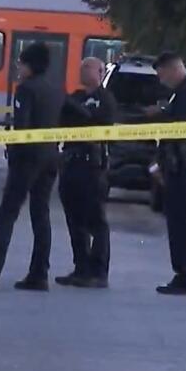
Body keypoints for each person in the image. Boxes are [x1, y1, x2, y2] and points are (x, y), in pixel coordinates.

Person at [0, 43, 64, 291]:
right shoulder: (56, 90)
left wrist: (14, 151)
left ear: (30, 65)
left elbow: (22, 126)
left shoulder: (25, 90)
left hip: (27, 161)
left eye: (21, 63)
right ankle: (40, 273)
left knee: (7, 214)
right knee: (41, 215)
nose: (18, 68)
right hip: (50, 157)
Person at [144, 52, 186, 296]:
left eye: (162, 74)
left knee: (183, 224)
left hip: (184, 167)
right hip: (180, 165)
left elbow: (182, 131)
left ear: (172, 69)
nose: (161, 80)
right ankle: (183, 274)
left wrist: (161, 116)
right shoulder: (184, 93)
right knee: (179, 223)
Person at [56, 57, 118, 289]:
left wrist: (81, 117)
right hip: (71, 162)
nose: (81, 71)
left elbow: (101, 123)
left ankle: (98, 271)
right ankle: (80, 268)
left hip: (92, 165)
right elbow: (63, 121)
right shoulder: (76, 97)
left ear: (100, 72)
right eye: (80, 67)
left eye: (86, 68)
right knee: (74, 219)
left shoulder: (106, 99)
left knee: (96, 220)